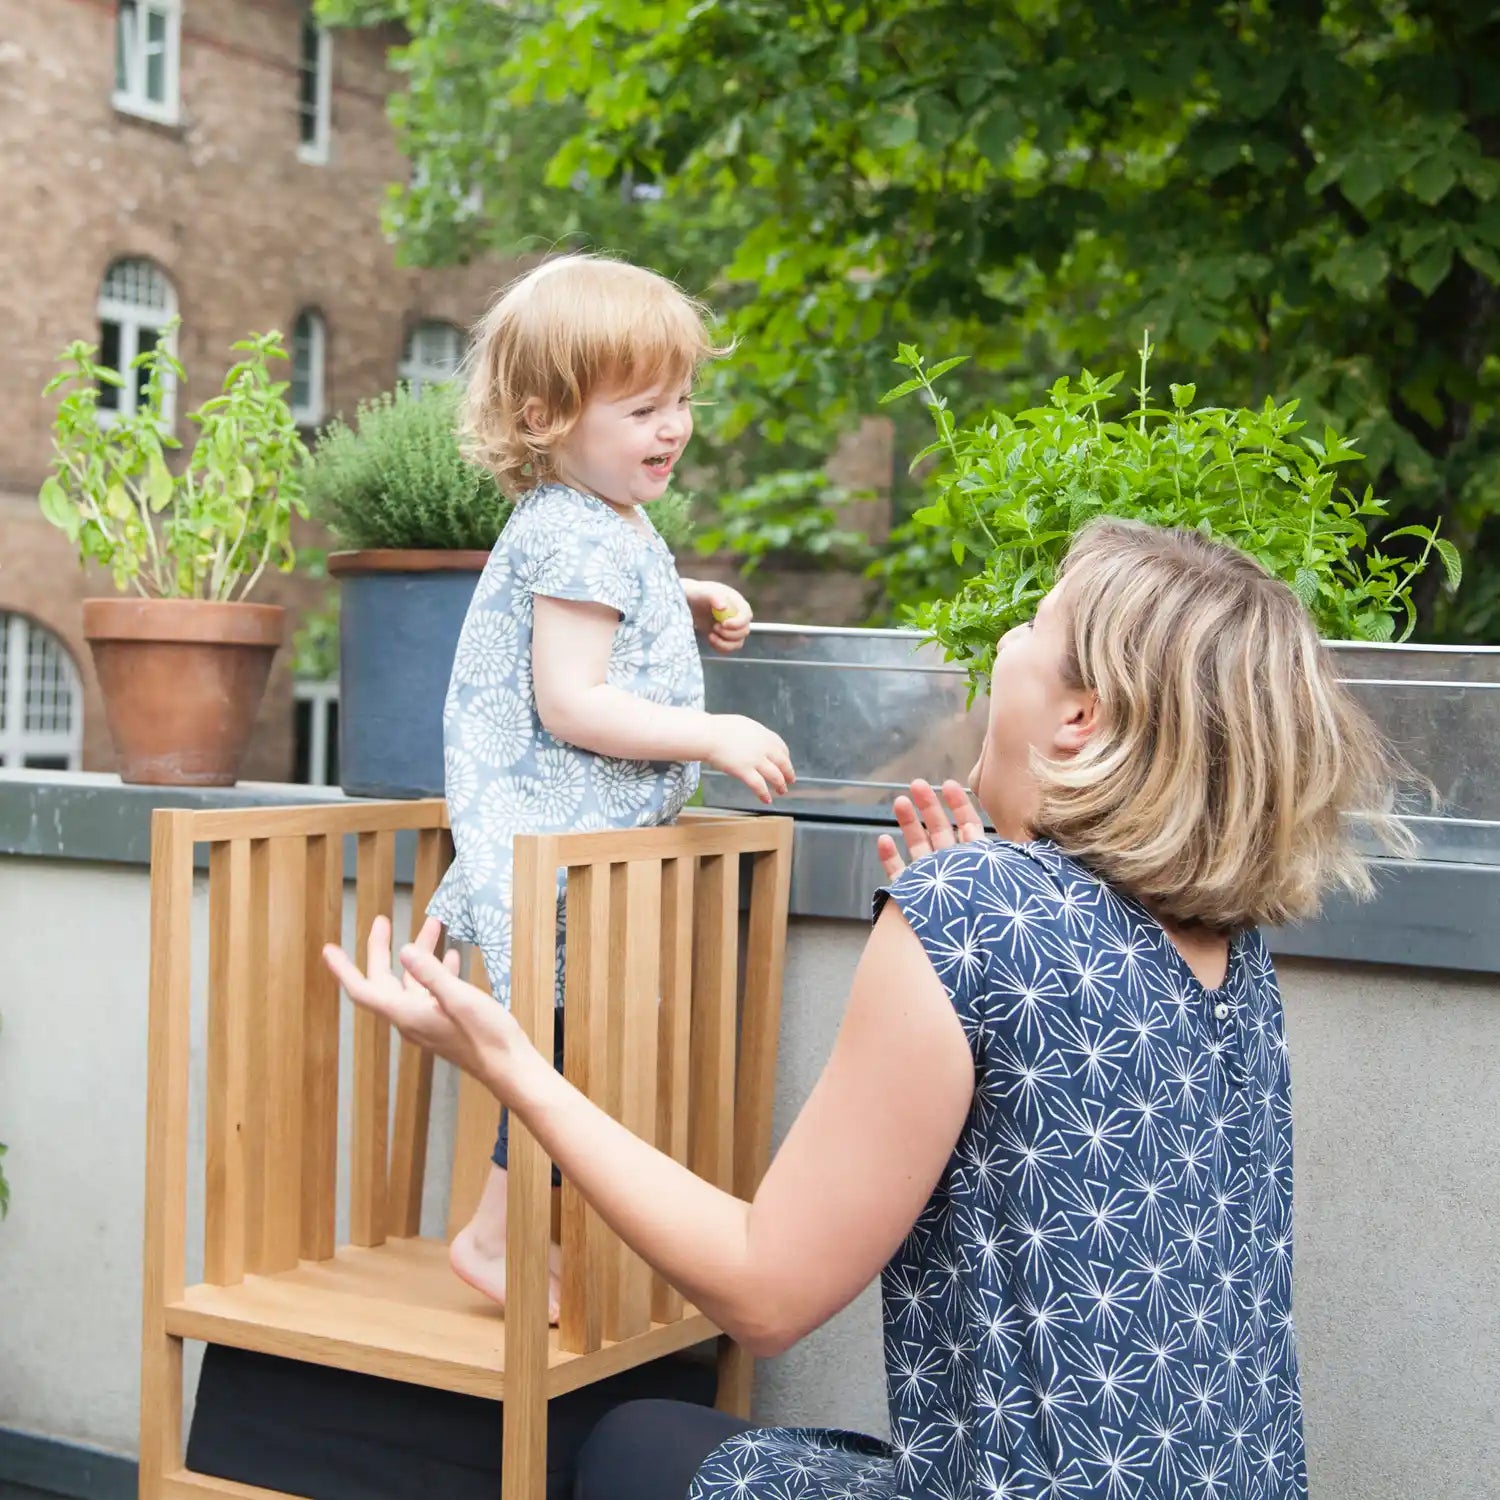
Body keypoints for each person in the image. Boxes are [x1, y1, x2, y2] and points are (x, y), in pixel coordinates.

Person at [326, 517, 1410, 1499]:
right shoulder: (1232, 952)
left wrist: (512, 1063)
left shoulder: (978, 912)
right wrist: (991, 890)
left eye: (1033, 623)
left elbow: (765, 1291)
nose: (1005, 647)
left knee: (627, 1447)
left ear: (1079, 714)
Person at [424, 253, 795, 1319]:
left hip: (575, 845)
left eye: (679, 400)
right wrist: (711, 729)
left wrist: (679, 592)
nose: (671, 426)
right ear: (545, 416)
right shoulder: (573, 526)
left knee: (572, 1046)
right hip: (552, 847)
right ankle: (497, 1238)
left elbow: (596, 597)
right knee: (564, 1051)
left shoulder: (595, 522)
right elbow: (573, 703)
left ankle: (524, 1234)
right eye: (641, 407)